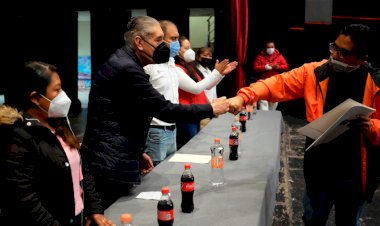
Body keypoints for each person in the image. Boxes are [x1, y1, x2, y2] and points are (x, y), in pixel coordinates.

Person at [228, 24, 380, 225]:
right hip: (319, 167)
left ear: (363, 58)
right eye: (334, 47)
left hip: (355, 172)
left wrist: (372, 127)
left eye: (344, 52)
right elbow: (277, 84)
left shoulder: (376, 82)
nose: (335, 55)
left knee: (349, 221)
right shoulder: (315, 72)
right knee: (312, 218)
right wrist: (244, 96)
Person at [81, 16, 229, 209]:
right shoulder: (127, 68)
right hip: (109, 163)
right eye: (159, 40)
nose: (165, 45)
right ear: (139, 42)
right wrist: (211, 109)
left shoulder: (125, 61)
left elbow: (124, 114)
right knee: (114, 212)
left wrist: (136, 151)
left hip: (116, 154)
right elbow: (163, 109)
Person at [0, 61, 114, 226]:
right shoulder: (17, 136)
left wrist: (94, 209)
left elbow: (81, 167)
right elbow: (25, 200)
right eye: (57, 90)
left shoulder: (58, 120)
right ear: (36, 98)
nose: (63, 95)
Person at [143, 20, 237, 166]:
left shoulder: (171, 64)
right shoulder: (149, 66)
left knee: (169, 170)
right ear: (160, 39)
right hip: (157, 129)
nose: (177, 45)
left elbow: (198, 87)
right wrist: (217, 73)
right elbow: (196, 88)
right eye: (173, 39)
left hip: (172, 127)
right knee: (154, 176)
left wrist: (219, 74)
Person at [252, 40, 289, 111]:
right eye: (268, 47)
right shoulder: (260, 57)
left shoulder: (279, 56)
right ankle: (264, 117)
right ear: (265, 48)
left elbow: (286, 66)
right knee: (263, 101)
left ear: (274, 47)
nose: (270, 49)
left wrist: (279, 67)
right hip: (263, 82)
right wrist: (264, 67)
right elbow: (255, 67)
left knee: (274, 101)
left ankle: (271, 116)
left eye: (272, 47)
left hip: (275, 82)